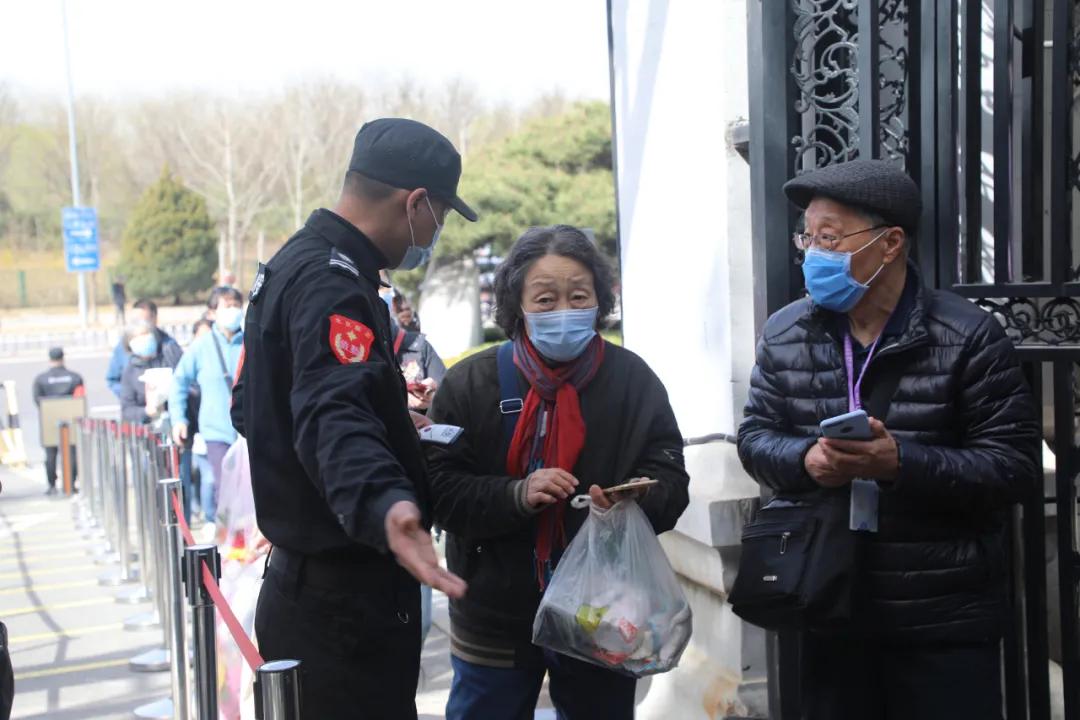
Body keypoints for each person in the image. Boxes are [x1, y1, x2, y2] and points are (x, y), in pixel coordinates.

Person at [736, 159, 1041, 720]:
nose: (812, 254)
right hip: (826, 601)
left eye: (830, 237)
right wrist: (807, 460)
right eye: (808, 236)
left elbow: (1013, 467)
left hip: (940, 616)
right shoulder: (786, 332)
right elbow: (755, 437)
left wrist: (898, 461)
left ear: (890, 243)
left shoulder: (968, 337)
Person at [232, 117, 476, 719]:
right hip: (342, 605)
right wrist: (384, 502)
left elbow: (258, 407)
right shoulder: (332, 284)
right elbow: (331, 411)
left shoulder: (297, 260)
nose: (434, 232)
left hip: (307, 591)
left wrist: (395, 423)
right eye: (440, 216)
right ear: (415, 202)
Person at [426, 225, 690, 720]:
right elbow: (440, 490)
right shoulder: (471, 383)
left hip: (604, 609)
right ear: (516, 304)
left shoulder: (633, 380)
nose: (563, 311)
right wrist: (517, 495)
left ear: (600, 300)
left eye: (578, 296)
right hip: (494, 610)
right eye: (545, 299)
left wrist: (632, 500)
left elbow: (672, 478)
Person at [170, 287, 245, 531]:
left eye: (236, 305)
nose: (233, 310)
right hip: (217, 432)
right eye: (226, 306)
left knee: (253, 490)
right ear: (212, 312)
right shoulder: (201, 347)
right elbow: (179, 382)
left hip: (251, 433)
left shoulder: (254, 341)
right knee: (223, 487)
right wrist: (179, 419)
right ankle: (228, 542)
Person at [32, 347, 84, 495]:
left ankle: (52, 485)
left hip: (49, 418)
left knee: (50, 453)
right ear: (63, 358)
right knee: (72, 452)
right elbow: (80, 398)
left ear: (49, 359)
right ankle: (71, 484)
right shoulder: (74, 377)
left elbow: (37, 400)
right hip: (71, 418)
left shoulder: (41, 379)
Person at [106, 298, 181, 398]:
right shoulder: (123, 346)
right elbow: (112, 380)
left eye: (144, 321)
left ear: (154, 318)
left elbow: (182, 378)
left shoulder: (169, 346)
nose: (139, 325)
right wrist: (130, 394)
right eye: (135, 321)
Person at [178, 317, 212, 524]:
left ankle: (211, 517)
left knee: (208, 477)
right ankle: (203, 516)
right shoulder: (192, 357)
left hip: (214, 429)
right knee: (199, 477)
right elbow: (178, 385)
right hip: (195, 430)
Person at [119, 318, 183, 425]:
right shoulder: (130, 371)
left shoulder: (169, 357)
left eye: (147, 336)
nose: (145, 341)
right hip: (148, 428)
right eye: (139, 338)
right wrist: (146, 411)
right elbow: (127, 410)